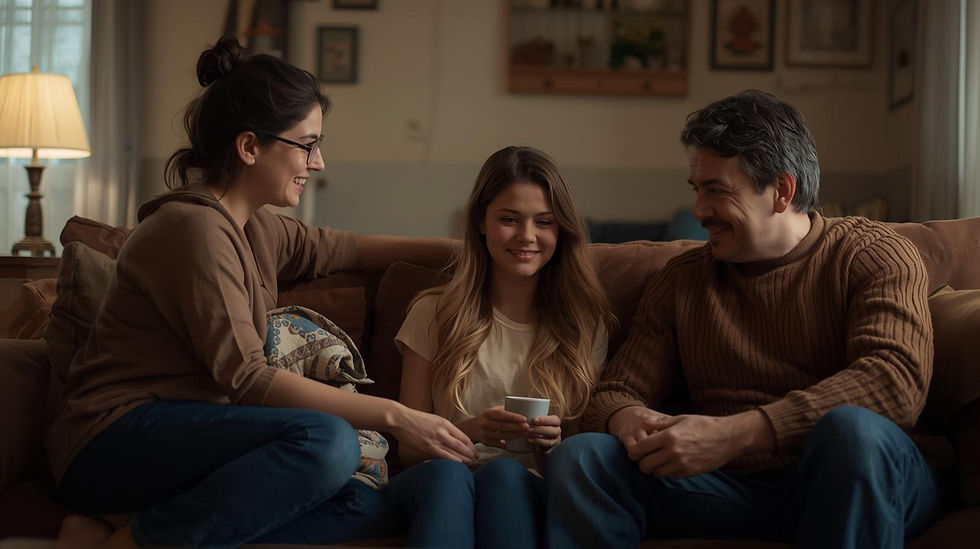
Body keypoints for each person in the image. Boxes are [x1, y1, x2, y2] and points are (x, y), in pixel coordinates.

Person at [50, 36, 480, 549]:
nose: (318, 163)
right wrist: (399, 415)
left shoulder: (256, 228)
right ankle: (132, 543)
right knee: (327, 442)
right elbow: (249, 380)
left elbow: (352, 249)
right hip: (112, 442)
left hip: (196, 440)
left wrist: (474, 248)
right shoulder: (192, 230)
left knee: (365, 504)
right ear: (250, 146)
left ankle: (136, 525)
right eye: (307, 144)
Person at [545, 90, 945, 549]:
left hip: (863, 475)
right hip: (733, 490)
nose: (698, 213)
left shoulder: (872, 254)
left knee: (851, 433)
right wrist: (625, 416)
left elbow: (895, 381)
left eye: (716, 191)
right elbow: (612, 394)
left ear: (781, 191)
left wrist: (735, 434)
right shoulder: (683, 281)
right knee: (583, 457)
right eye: (697, 190)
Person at [394, 146, 614, 548]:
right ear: (481, 221)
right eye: (509, 219)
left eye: (544, 222)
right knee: (451, 476)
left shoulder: (584, 325)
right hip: (442, 482)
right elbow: (409, 450)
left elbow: (582, 460)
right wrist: (470, 432)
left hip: (526, 489)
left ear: (561, 230)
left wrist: (551, 447)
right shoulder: (434, 312)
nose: (527, 236)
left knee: (505, 475)